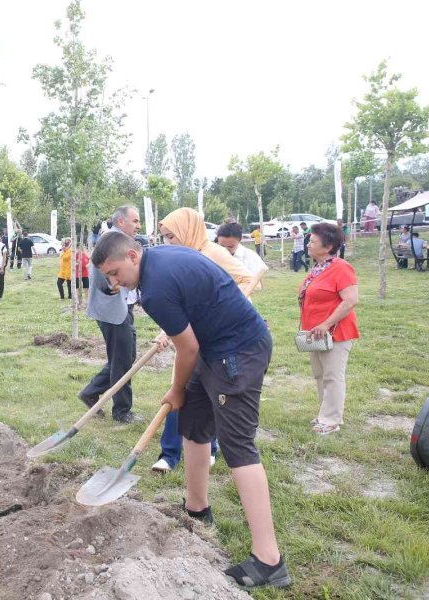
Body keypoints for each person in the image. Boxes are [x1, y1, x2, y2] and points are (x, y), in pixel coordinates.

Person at [92, 231, 290, 590]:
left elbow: (187, 350)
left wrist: (177, 389)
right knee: (194, 426)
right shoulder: (161, 258)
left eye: (115, 272)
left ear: (133, 256)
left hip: (237, 352)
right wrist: (183, 393)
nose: (113, 282)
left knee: (238, 448)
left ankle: (269, 561)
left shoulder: (155, 290)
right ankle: (197, 509)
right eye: (108, 276)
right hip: (214, 349)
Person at [153, 208, 256, 471]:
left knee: (207, 392)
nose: (168, 243)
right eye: (164, 237)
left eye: (171, 236)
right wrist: (166, 332)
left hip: (220, 335)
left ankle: (208, 446)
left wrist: (225, 306)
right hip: (193, 333)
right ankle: (169, 454)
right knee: (181, 388)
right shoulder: (180, 258)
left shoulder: (213, 252)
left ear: (188, 230)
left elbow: (248, 278)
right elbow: (183, 304)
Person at [79, 205, 143, 424]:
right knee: (122, 360)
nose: (138, 225)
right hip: (112, 310)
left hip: (120, 308)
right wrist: (113, 287)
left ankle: (91, 392)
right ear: (121, 221)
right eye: (135, 221)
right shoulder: (111, 242)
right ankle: (122, 412)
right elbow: (104, 280)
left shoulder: (116, 240)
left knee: (124, 358)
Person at [300, 223, 359, 436]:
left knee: (333, 376)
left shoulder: (341, 267)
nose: (309, 244)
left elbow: (351, 300)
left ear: (328, 246)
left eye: (313, 241)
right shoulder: (318, 267)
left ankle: (332, 419)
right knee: (319, 374)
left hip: (336, 333)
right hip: (315, 333)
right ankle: (324, 414)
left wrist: (326, 324)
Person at [216, 222, 268, 287]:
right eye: (222, 246)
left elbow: (257, 284)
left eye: (230, 246)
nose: (225, 250)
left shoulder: (250, 256)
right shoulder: (212, 254)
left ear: (240, 240)